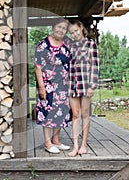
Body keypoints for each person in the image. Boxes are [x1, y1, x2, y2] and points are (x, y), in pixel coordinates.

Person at [34, 18, 71, 154]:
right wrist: (42, 87)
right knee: (48, 113)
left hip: (62, 86)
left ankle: (56, 140)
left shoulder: (65, 45)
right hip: (48, 86)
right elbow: (37, 67)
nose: (61, 30)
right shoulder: (43, 45)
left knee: (60, 112)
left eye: (64, 28)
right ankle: (47, 143)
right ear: (53, 27)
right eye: (59, 27)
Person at [67, 20, 99, 157]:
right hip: (72, 86)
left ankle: (83, 144)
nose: (74, 34)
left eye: (76, 31)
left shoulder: (91, 45)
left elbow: (95, 66)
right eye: (71, 33)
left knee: (85, 115)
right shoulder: (70, 47)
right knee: (75, 115)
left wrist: (92, 85)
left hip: (86, 85)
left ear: (81, 28)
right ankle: (75, 146)